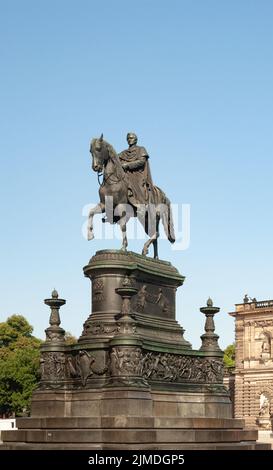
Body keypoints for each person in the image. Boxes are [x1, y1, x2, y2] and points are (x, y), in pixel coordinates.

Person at [119, 132, 154, 206]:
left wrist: (127, 165)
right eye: (128, 138)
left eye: (131, 138)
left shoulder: (141, 149)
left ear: (136, 140)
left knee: (138, 186)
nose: (129, 140)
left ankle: (143, 205)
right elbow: (115, 160)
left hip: (137, 174)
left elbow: (141, 162)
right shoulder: (123, 153)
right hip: (126, 174)